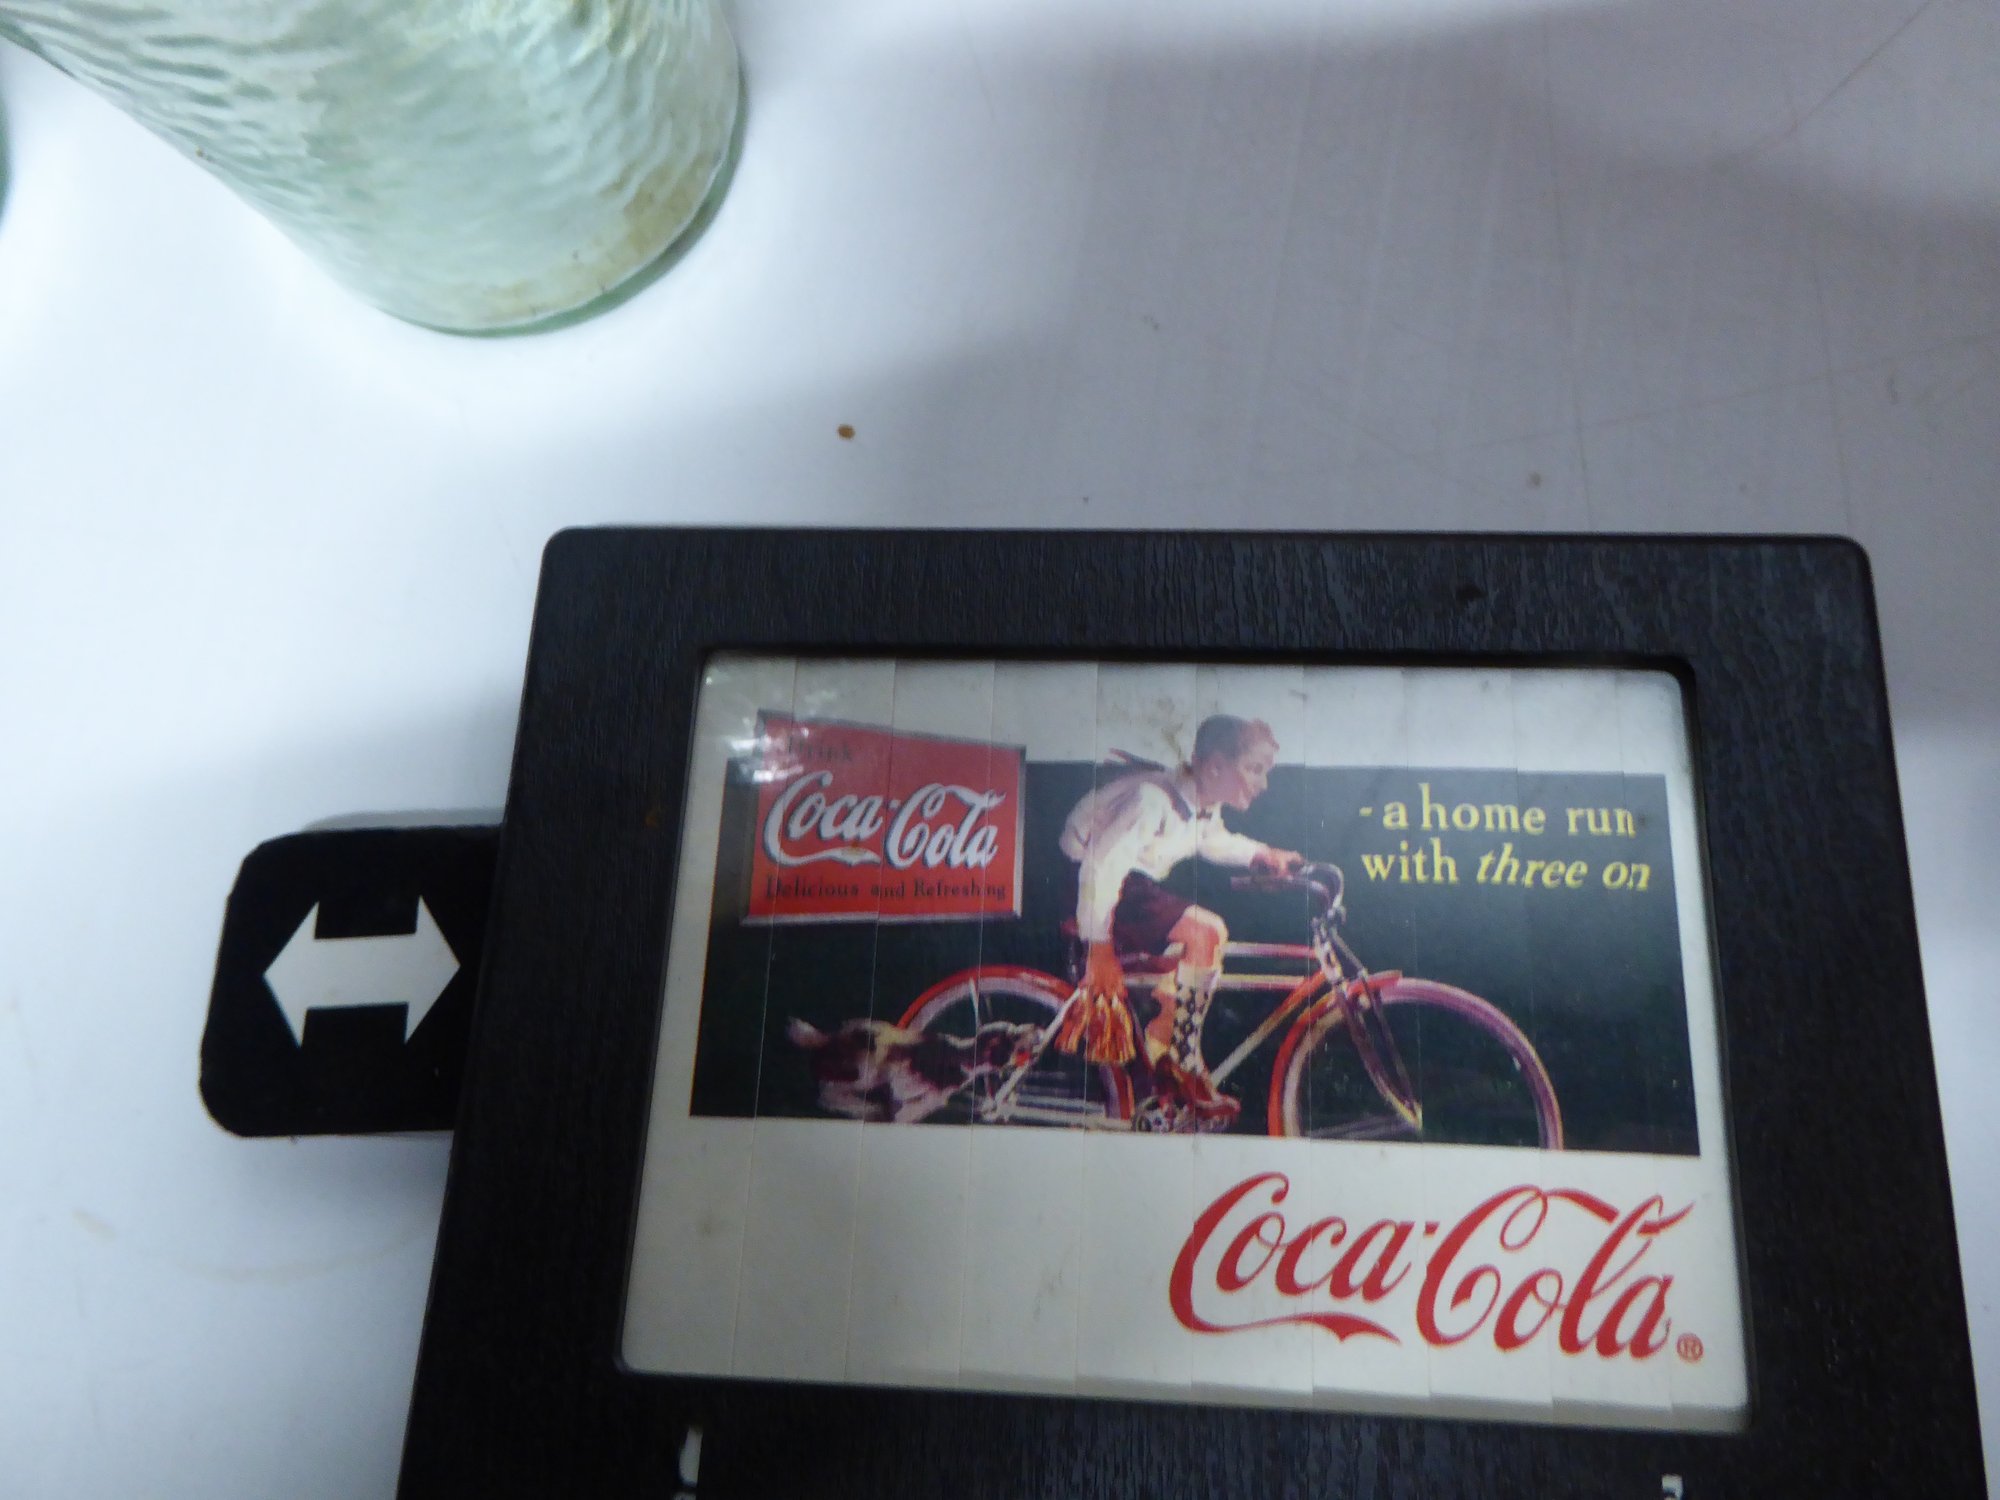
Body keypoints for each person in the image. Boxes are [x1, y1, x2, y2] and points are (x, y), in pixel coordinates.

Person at [1054, 713, 1303, 1127]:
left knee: (1191, 961)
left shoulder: (1199, 803)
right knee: (1207, 932)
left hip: (1126, 883)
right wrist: (1097, 945)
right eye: (1255, 769)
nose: (1263, 784)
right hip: (1090, 883)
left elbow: (1211, 839)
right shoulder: (1152, 800)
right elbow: (1101, 868)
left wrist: (1262, 853)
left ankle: (1162, 1045)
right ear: (1215, 767)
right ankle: (1183, 1059)